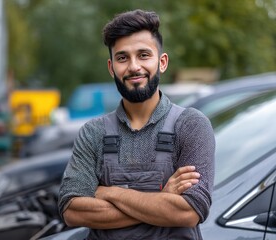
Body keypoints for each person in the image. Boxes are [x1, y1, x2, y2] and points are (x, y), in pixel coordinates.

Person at [58, 9, 215, 240]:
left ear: (162, 62)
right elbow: (71, 210)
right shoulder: (93, 132)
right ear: (112, 67)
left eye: (143, 55)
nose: (133, 67)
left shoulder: (191, 125)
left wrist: (108, 192)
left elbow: (189, 211)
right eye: (122, 58)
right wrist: (161, 198)